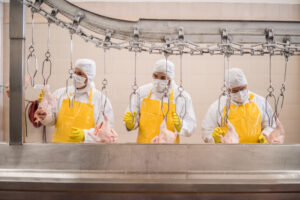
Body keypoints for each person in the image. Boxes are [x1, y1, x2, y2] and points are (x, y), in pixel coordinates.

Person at [35, 59, 114, 143]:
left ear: (89, 76)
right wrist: (44, 116)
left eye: (80, 74)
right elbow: (51, 121)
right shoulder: (60, 93)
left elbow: (105, 131)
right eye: (74, 72)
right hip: (59, 149)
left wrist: (85, 135)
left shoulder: (101, 100)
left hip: (87, 151)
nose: (75, 76)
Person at [201, 68, 285, 144]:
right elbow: (206, 131)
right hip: (228, 154)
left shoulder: (260, 102)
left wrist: (265, 136)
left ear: (246, 84)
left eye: (242, 88)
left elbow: (270, 125)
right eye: (235, 90)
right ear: (227, 90)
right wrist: (217, 139)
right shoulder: (218, 106)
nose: (240, 93)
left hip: (256, 152)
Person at [122, 59, 196, 143]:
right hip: (144, 148)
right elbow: (131, 117)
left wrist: (181, 125)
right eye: (155, 76)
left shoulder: (182, 96)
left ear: (170, 78)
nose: (158, 80)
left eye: (163, 77)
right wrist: (130, 124)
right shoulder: (142, 92)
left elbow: (191, 126)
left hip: (170, 150)